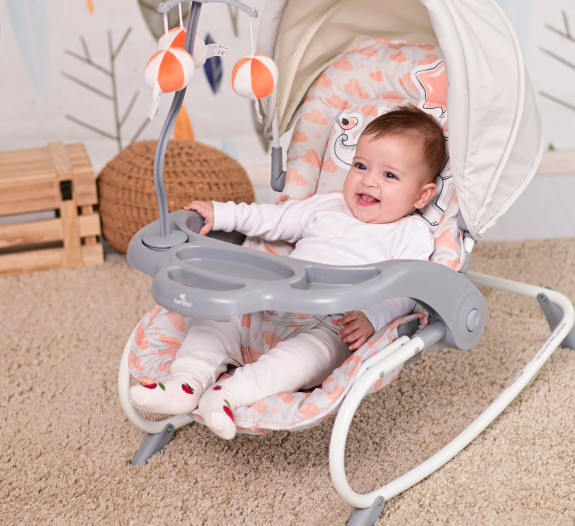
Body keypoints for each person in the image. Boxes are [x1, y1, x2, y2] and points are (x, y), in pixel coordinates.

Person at [129, 105, 446, 439]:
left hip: (330, 323)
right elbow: (272, 218)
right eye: (361, 166)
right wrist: (221, 214)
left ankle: (228, 396)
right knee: (215, 316)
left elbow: (407, 288)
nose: (368, 180)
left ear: (422, 195)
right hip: (268, 304)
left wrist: (372, 317)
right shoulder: (328, 206)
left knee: (314, 356)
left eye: (389, 176)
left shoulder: (411, 234)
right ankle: (185, 382)